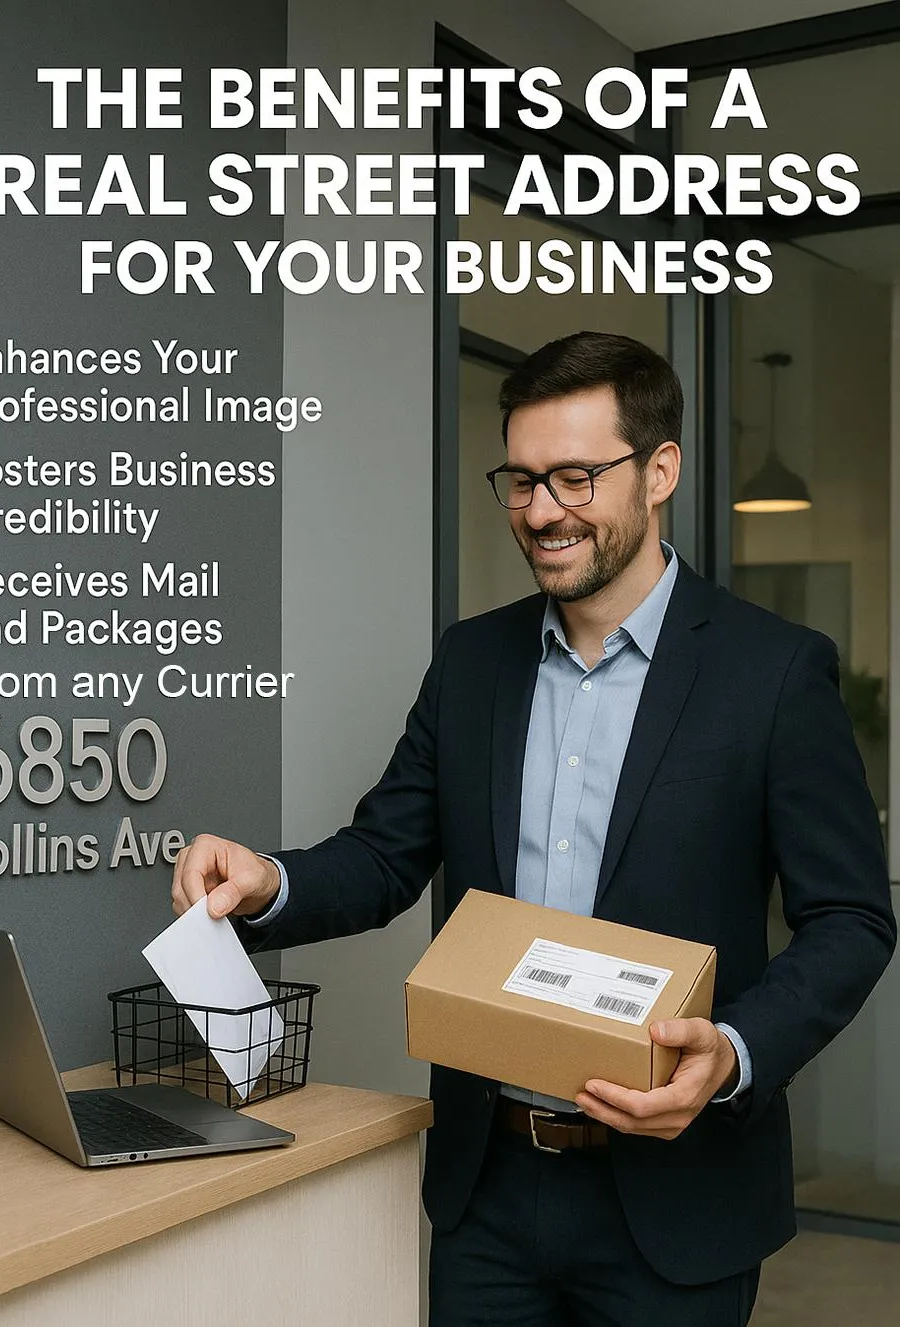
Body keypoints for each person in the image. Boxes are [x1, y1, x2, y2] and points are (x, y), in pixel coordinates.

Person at [171, 331, 896, 1326]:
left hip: (679, 1198)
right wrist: (268, 880)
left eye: (574, 477)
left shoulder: (772, 673)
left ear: (659, 472)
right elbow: (383, 856)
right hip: (490, 1190)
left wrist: (735, 1049)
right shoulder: (472, 662)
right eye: (521, 480)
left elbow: (852, 918)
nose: (543, 510)